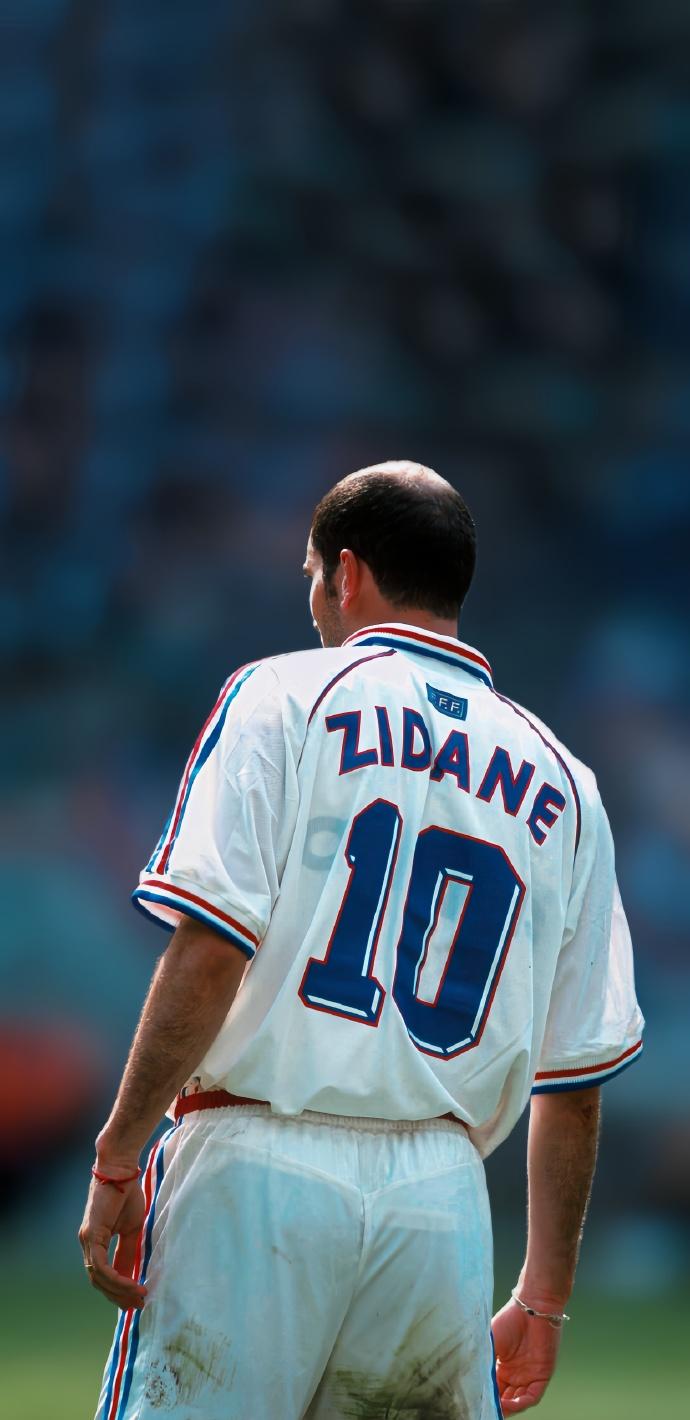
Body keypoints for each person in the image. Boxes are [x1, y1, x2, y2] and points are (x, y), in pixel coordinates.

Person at [80, 462, 644, 1419]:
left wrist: (118, 1155)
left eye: (312, 574)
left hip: (256, 1166)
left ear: (347, 573)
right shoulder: (567, 782)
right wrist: (544, 1297)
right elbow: (574, 1078)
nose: (312, 598)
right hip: (441, 1202)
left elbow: (211, 951)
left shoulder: (279, 695)